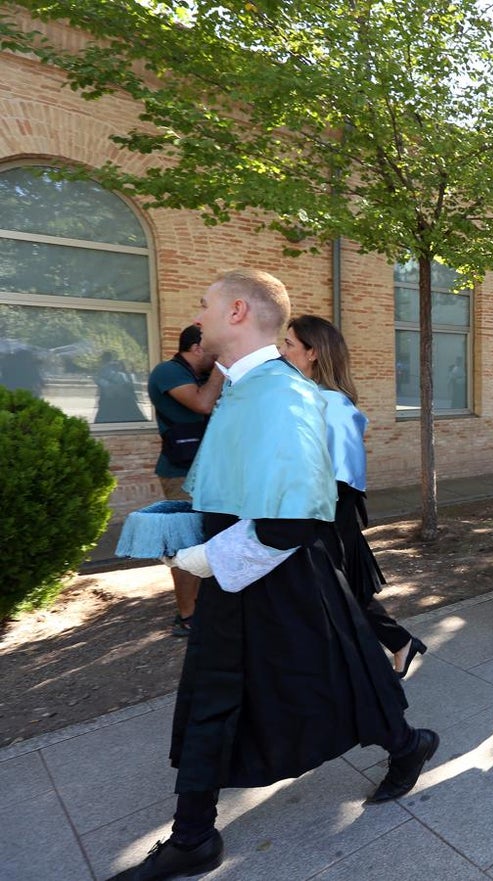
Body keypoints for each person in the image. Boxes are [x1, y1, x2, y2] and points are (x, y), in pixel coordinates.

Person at [113, 270, 437, 881]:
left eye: (206, 306)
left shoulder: (280, 394)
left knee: (340, 673)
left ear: (237, 312)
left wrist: (205, 559)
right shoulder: (244, 387)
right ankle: (194, 835)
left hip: (278, 573)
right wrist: (187, 524)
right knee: (229, 689)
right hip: (248, 570)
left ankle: (406, 742)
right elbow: (245, 488)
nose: (198, 317)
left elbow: (290, 521)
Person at [281, 314, 425, 678]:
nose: (282, 352)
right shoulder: (312, 399)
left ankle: (381, 657)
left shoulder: (333, 407)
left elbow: (344, 481)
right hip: (311, 516)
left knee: (338, 594)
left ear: (313, 353)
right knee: (341, 595)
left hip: (325, 518)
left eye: (289, 345)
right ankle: (398, 645)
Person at [146, 325, 224, 636]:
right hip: (180, 473)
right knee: (184, 542)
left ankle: (205, 604)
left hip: (210, 471)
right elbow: (203, 404)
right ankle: (187, 615)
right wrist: (223, 367)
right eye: (213, 351)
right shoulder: (167, 372)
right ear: (196, 348)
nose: (218, 358)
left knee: (209, 539)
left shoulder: (204, 376)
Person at [95, 351, 147, 422]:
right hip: (113, 401)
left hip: (120, 401)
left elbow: (123, 384)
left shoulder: (114, 372)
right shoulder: (106, 370)